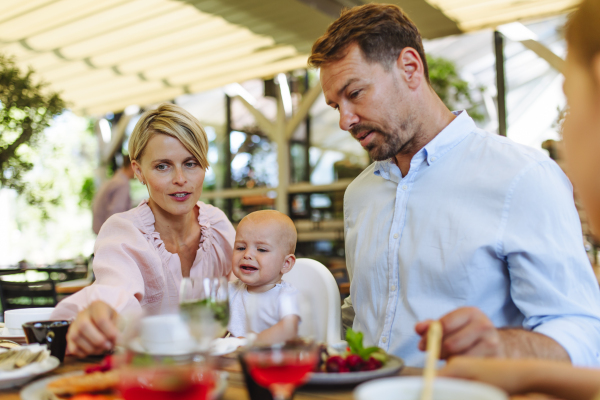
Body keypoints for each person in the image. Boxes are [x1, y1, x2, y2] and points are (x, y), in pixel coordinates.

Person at [308, 3, 600, 367]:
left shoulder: (522, 176)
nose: (344, 121)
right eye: (335, 106)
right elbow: (366, 313)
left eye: (355, 94)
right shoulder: (360, 194)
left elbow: (582, 329)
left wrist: (503, 347)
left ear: (410, 68)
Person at [438, 1, 600, 399]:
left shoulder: (523, 174)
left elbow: (579, 327)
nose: (563, 137)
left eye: (570, 99)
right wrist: (528, 377)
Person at [51, 103, 235, 357]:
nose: (180, 179)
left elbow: (247, 295)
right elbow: (115, 293)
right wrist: (100, 313)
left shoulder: (217, 225)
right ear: (139, 171)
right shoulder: (124, 232)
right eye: (163, 166)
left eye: (191, 163)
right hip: (148, 376)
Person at [228, 210, 300, 344]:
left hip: (271, 361)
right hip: (229, 363)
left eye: (261, 249)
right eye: (241, 247)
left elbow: (289, 330)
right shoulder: (228, 292)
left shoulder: (286, 296)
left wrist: (249, 342)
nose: (247, 254)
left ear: (285, 263)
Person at [92, 156, 134, 234]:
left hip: (101, 230)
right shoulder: (122, 183)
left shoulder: (116, 179)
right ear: (132, 166)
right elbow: (116, 211)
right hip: (108, 233)